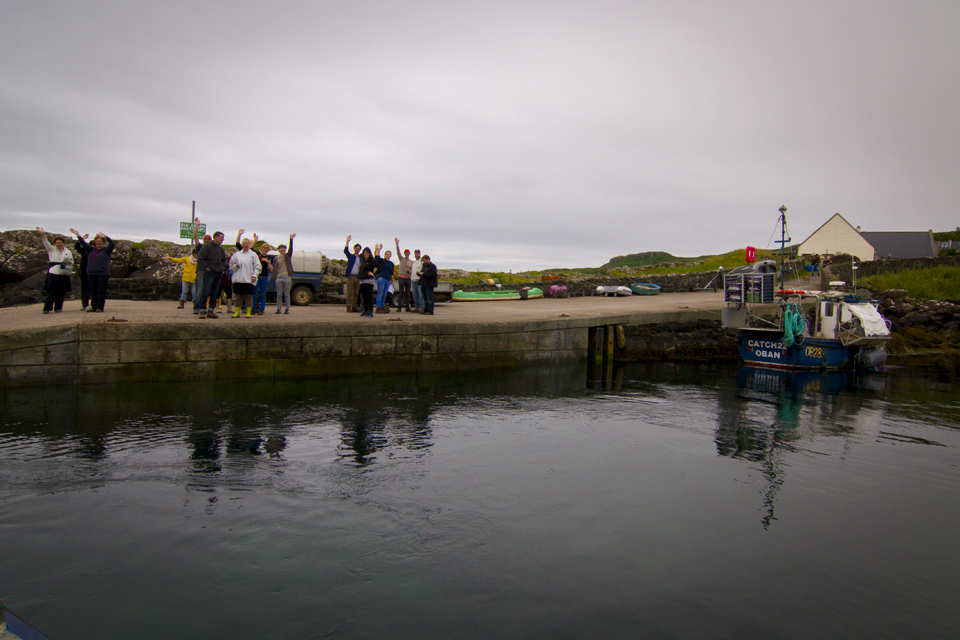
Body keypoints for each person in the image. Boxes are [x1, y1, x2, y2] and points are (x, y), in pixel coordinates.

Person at [162, 215, 201, 310]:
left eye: (197, 254)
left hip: (194, 278)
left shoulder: (199, 261)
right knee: (184, 291)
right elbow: (178, 260)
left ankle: (195, 304)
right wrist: (170, 258)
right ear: (193, 254)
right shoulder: (187, 259)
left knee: (194, 292)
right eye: (195, 254)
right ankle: (181, 303)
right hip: (186, 277)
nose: (196, 256)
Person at [72, 229, 114, 313]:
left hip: (102, 273)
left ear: (103, 242)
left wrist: (106, 237)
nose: (98, 242)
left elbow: (112, 244)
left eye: (100, 241)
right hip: (91, 273)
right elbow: (83, 244)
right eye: (97, 241)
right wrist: (78, 235)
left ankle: (99, 307)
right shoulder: (91, 249)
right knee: (93, 291)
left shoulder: (106, 250)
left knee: (101, 290)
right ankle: (93, 306)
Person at [36, 227, 73, 314]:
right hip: (53, 272)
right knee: (51, 290)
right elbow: (45, 242)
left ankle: (58, 307)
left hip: (63, 272)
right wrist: (43, 234)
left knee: (61, 291)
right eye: (57, 243)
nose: (58, 244)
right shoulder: (51, 249)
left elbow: (71, 261)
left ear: (63, 243)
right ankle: (47, 308)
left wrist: (69, 262)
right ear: (54, 243)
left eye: (60, 243)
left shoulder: (67, 251)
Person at [195, 231, 228, 319]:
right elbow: (200, 259)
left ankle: (210, 310)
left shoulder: (221, 249)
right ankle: (201, 310)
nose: (223, 239)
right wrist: (206, 267)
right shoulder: (207, 247)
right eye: (221, 237)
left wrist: (224, 268)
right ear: (216, 237)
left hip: (218, 273)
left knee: (214, 292)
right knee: (205, 291)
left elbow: (224, 260)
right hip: (209, 272)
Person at [229, 237, 261, 318]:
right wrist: (236, 266)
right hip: (238, 279)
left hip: (248, 280)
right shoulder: (236, 255)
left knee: (248, 297)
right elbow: (231, 266)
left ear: (249, 245)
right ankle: (237, 312)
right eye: (244, 243)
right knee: (237, 297)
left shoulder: (253, 255)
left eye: (247, 244)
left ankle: (248, 312)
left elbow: (257, 266)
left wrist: (254, 275)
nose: (245, 245)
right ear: (241, 244)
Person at [271, 233, 296, 314]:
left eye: (284, 248)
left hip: (287, 277)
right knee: (278, 295)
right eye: (281, 248)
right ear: (278, 250)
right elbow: (275, 268)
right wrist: (274, 277)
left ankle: (287, 309)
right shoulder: (276, 258)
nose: (282, 249)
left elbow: (291, 249)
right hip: (279, 278)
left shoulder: (287, 256)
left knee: (286, 294)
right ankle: (279, 309)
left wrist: (291, 239)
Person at [357, 247, 378, 317]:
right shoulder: (363, 261)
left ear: (369, 253)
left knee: (369, 297)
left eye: (367, 253)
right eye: (364, 253)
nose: (366, 254)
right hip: (362, 281)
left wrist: (374, 274)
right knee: (364, 297)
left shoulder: (372, 261)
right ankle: (365, 310)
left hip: (369, 281)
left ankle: (370, 311)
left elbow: (380, 267)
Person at [373, 243, 394, 313]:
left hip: (388, 280)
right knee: (380, 293)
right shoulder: (382, 261)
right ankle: (378, 307)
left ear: (391, 255)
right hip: (382, 278)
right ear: (385, 255)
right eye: (387, 254)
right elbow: (376, 257)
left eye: (389, 254)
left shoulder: (391, 263)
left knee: (384, 294)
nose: (388, 255)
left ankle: (382, 306)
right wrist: (378, 249)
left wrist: (393, 282)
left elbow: (392, 274)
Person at [343, 235, 363, 312]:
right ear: (354, 249)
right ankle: (348, 306)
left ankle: (354, 306)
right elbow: (345, 251)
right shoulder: (351, 256)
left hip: (358, 277)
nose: (357, 249)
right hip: (351, 276)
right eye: (356, 248)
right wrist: (347, 242)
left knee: (356, 293)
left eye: (358, 249)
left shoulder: (361, 258)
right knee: (350, 292)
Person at [254, 239, 272, 315]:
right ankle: (253, 308)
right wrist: (255, 240)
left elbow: (272, 269)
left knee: (262, 294)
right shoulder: (257, 255)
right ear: (261, 249)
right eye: (264, 248)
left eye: (266, 249)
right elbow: (252, 249)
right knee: (254, 294)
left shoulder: (268, 258)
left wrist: (268, 262)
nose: (265, 250)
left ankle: (261, 309)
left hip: (264, 277)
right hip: (257, 276)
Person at [394, 238, 413, 312]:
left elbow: (413, 271)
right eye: (405, 253)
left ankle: (407, 307)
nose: (406, 254)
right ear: (404, 254)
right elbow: (398, 252)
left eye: (408, 253)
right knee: (400, 293)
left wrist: (409, 271)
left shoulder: (411, 261)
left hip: (408, 278)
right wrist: (397, 245)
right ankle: (399, 307)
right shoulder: (401, 259)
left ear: (409, 254)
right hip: (401, 278)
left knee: (407, 293)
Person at [73, 233, 91, 310]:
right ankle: (84, 304)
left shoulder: (97, 252)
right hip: (84, 272)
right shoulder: (84, 251)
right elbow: (76, 246)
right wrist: (81, 238)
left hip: (94, 272)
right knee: (84, 289)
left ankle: (94, 304)